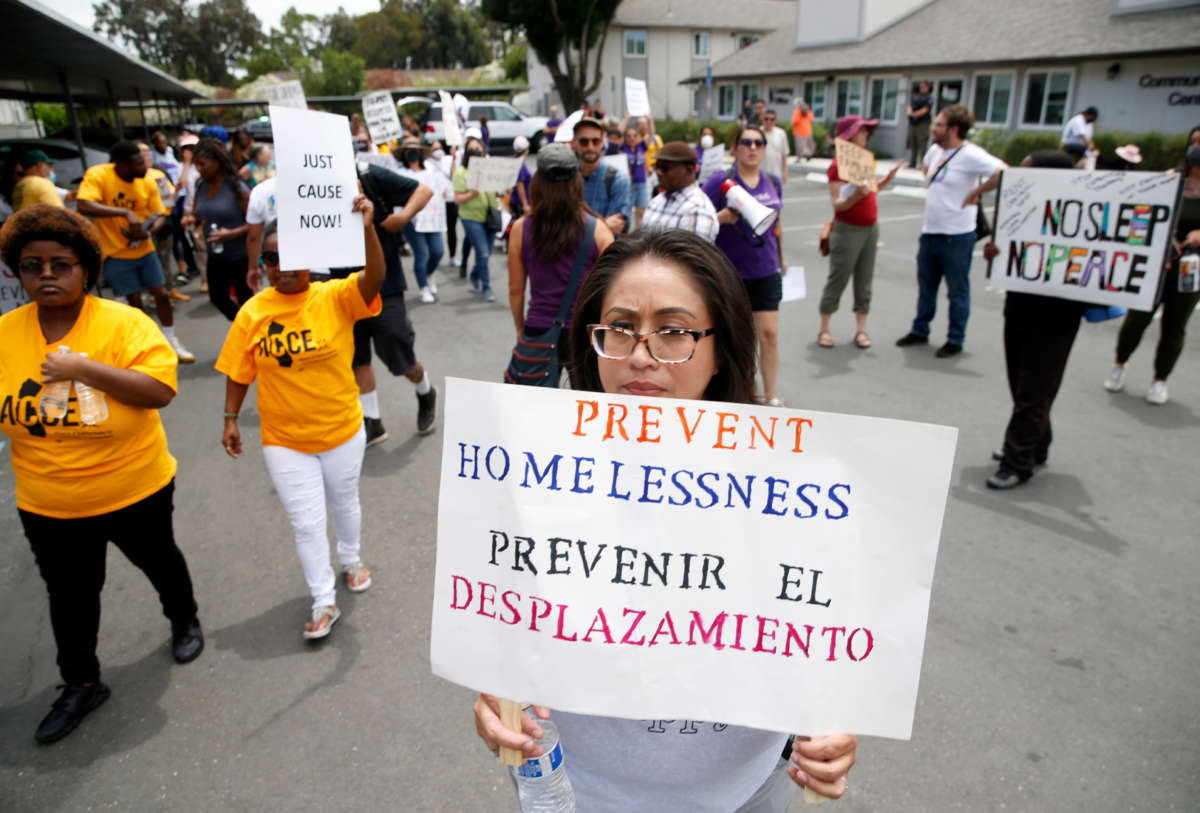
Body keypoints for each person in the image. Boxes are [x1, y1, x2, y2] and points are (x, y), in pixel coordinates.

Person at [475, 229, 857, 810]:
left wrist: (830, 724)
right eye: (621, 328)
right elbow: (504, 626)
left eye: (674, 331)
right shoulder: (530, 476)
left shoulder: (796, 487)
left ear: (721, 346)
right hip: (575, 794)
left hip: (751, 792)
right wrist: (496, 697)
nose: (641, 356)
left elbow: (820, 637)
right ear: (591, 339)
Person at [0, 204, 204, 744]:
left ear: (86, 269)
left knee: (159, 559)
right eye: (31, 265)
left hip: (134, 487)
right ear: (15, 272)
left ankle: (184, 618)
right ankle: (81, 682)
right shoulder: (5, 334)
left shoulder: (124, 324)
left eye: (60, 264)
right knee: (69, 593)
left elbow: (160, 390)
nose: (45, 274)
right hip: (50, 504)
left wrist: (83, 368)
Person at [217, 200, 383, 640]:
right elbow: (238, 371)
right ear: (264, 264)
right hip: (284, 439)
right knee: (306, 522)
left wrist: (368, 230)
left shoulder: (336, 296)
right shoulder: (253, 313)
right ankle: (323, 600)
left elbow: (375, 279)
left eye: (290, 256)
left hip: (343, 429)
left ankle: (351, 559)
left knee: (344, 503)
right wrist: (231, 418)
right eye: (271, 259)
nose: (281, 266)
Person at [982, 150, 1085, 490]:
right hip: (1020, 305)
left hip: (1058, 313)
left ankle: (1017, 462)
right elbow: (1007, 254)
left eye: (1026, 170)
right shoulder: (1020, 208)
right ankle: (1035, 444)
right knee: (1022, 382)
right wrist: (994, 253)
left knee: (1034, 389)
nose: (1017, 175)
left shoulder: (1079, 217)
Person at [895, 104, 1005, 357]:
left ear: (953, 129)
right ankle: (920, 330)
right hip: (931, 230)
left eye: (939, 125)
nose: (933, 128)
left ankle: (955, 339)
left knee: (957, 290)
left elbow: (1003, 172)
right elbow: (926, 167)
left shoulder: (971, 155)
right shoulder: (935, 150)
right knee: (926, 287)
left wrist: (976, 192)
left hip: (957, 235)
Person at [76, 141, 195, 363]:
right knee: (134, 303)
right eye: (139, 162)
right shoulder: (99, 175)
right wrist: (124, 212)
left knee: (161, 294)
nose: (145, 166)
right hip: (115, 253)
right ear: (122, 165)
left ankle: (170, 340)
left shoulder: (148, 180)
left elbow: (159, 213)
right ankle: (145, 344)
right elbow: (83, 204)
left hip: (144, 250)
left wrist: (149, 230)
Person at [1103, 143, 1200, 406]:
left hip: (1190, 269)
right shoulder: (1169, 180)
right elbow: (1139, 217)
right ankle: (1119, 363)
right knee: (1137, 318)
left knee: (1174, 326)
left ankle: (1160, 380)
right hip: (1157, 264)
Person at [507, 144, 613, 373]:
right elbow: (611, 292)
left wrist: (520, 328)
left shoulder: (520, 229)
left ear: (537, 183)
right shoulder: (599, 231)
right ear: (577, 183)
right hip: (583, 332)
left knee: (538, 404)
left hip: (539, 326)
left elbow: (516, 290)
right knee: (585, 405)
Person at [702, 124, 785, 406]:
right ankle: (747, 395)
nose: (753, 148)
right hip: (729, 274)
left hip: (765, 270)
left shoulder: (773, 182)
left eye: (759, 143)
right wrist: (722, 218)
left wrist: (781, 259)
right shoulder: (720, 181)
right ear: (735, 148)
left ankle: (771, 395)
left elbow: (777, 225)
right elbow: (698, 217)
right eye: (746, 142)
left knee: (769, 334)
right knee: (740, 339)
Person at [817, 116, 901, 349]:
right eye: (861, 131)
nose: (865, 135)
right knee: (838, 278)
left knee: (865, 280)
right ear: (850, 136)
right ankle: (824, 328)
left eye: (865, 131)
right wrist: (856, 196)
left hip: (869, 229)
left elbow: (871, 190)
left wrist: (887, 180)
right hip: (847, 229)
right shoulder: (837, 165)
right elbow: (838, 203)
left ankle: (861, 330)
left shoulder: (865, 161)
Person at [182, 138, 253, 321]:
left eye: (202, 164)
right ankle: (242, 326)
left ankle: (251, 333)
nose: (198, 168)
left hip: (241, 256)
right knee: (218, 297)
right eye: (196, 164)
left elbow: (255, 223)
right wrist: (190, 219)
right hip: (216, 255)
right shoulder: (201, 185)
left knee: (247, 301)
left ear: (217, 162)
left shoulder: (238, 187)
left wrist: (231, 234)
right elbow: (199, 213)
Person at [396, 135, 445, 303]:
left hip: (432, 218)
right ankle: (423, 287)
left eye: (415, 151)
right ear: (404, 154)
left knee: (438, 251)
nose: (412, 154)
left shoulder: (430, 169)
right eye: (409, 151)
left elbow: (440, 186)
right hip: (413, 220)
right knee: (421, 253)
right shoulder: (400, 173)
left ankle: (428, 273)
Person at [137, 142, 188, 304]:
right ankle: (155, 294)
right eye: (143, 155)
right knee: (151, 261)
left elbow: (169, 199)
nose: (147, 158)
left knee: (165, 257)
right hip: (144, 227)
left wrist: (176, 191)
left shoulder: (158, 174)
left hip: (164, 222)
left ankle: (169, 290)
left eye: (148, 154)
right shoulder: (134, 178)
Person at [642, 141, 720, 241]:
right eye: (657, 166)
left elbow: (693, 256)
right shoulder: (656, 202)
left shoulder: (698, 211)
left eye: (665, 168)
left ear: (689, 169)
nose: (659, 172)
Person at [455, 136, 502, 302]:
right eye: (471, 149)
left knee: (486, 254)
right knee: (482, 252)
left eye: (478, 149)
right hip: (471, 218)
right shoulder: (461, 172)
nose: (476, 152)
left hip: (489, 217)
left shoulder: (489, 168)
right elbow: (457, 198)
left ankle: (475, 274)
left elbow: (496, 191)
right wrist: (471, 194)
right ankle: (486, 286)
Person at [573, 116, 631, 236]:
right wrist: (604, 224)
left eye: (595, 141)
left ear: (602, 142)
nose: (590, 147)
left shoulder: (618, 180)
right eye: (584, 142)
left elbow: (617, 226)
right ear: (575, 143)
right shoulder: (565, 179)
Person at [621, 122, 650, 229]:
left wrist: (649, 120)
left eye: (634, 136)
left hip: (641, 183)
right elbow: (618, 133)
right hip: (629, 184)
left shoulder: (641, 146)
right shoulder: (623, 148)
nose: (632, 138)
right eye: (628, 136)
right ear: (625, 138)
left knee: (641, 212)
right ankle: (626, 234)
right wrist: (626, 119)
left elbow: (651, 134)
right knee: (626, 211)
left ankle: (640, 236)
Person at [906, 81, 933, 169]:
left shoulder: (929, 97)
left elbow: (926, 109)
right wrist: (910, 113)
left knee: (922, 144)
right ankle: (912, 163)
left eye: (923, 86)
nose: (922, 88)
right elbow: (910, 106)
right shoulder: (915, 96)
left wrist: (914, 114)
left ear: (928, 87)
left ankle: (923, 164)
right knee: (913, 143)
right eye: (921, 86)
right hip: (913, 123)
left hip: (923, 123)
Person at [761, 108, 790, 185]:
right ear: (762, 119)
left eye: (772, 119)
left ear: (776, 121)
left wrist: (785, 171)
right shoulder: (758, 133)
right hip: (760, 173)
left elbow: (784, 154)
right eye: (766, 119)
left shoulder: (781, 133)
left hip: (776, 174)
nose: (768, 121)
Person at [509, 135, 533, 219]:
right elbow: (520, 184)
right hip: (519, 203)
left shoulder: (514, 161)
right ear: (526, 149)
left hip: (514, 200)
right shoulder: (521, 165)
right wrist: (525, 204)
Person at [791, 99, 815, 166]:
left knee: (799, 146)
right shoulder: (808, 110)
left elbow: (795, 121)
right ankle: (808, 154)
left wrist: (792, 124)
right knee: (808, 145)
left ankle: (799, 158)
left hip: (799, 131)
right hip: (808, 130)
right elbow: (811, 118)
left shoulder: (797, 111)